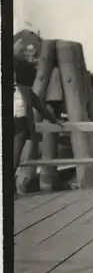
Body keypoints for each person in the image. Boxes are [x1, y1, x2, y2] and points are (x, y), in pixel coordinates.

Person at [13, 37, 60, 197]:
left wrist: (55, 121)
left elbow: (41, 108)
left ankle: (10, 190)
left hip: (19, 127)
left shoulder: (25, 90)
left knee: (14, 159)